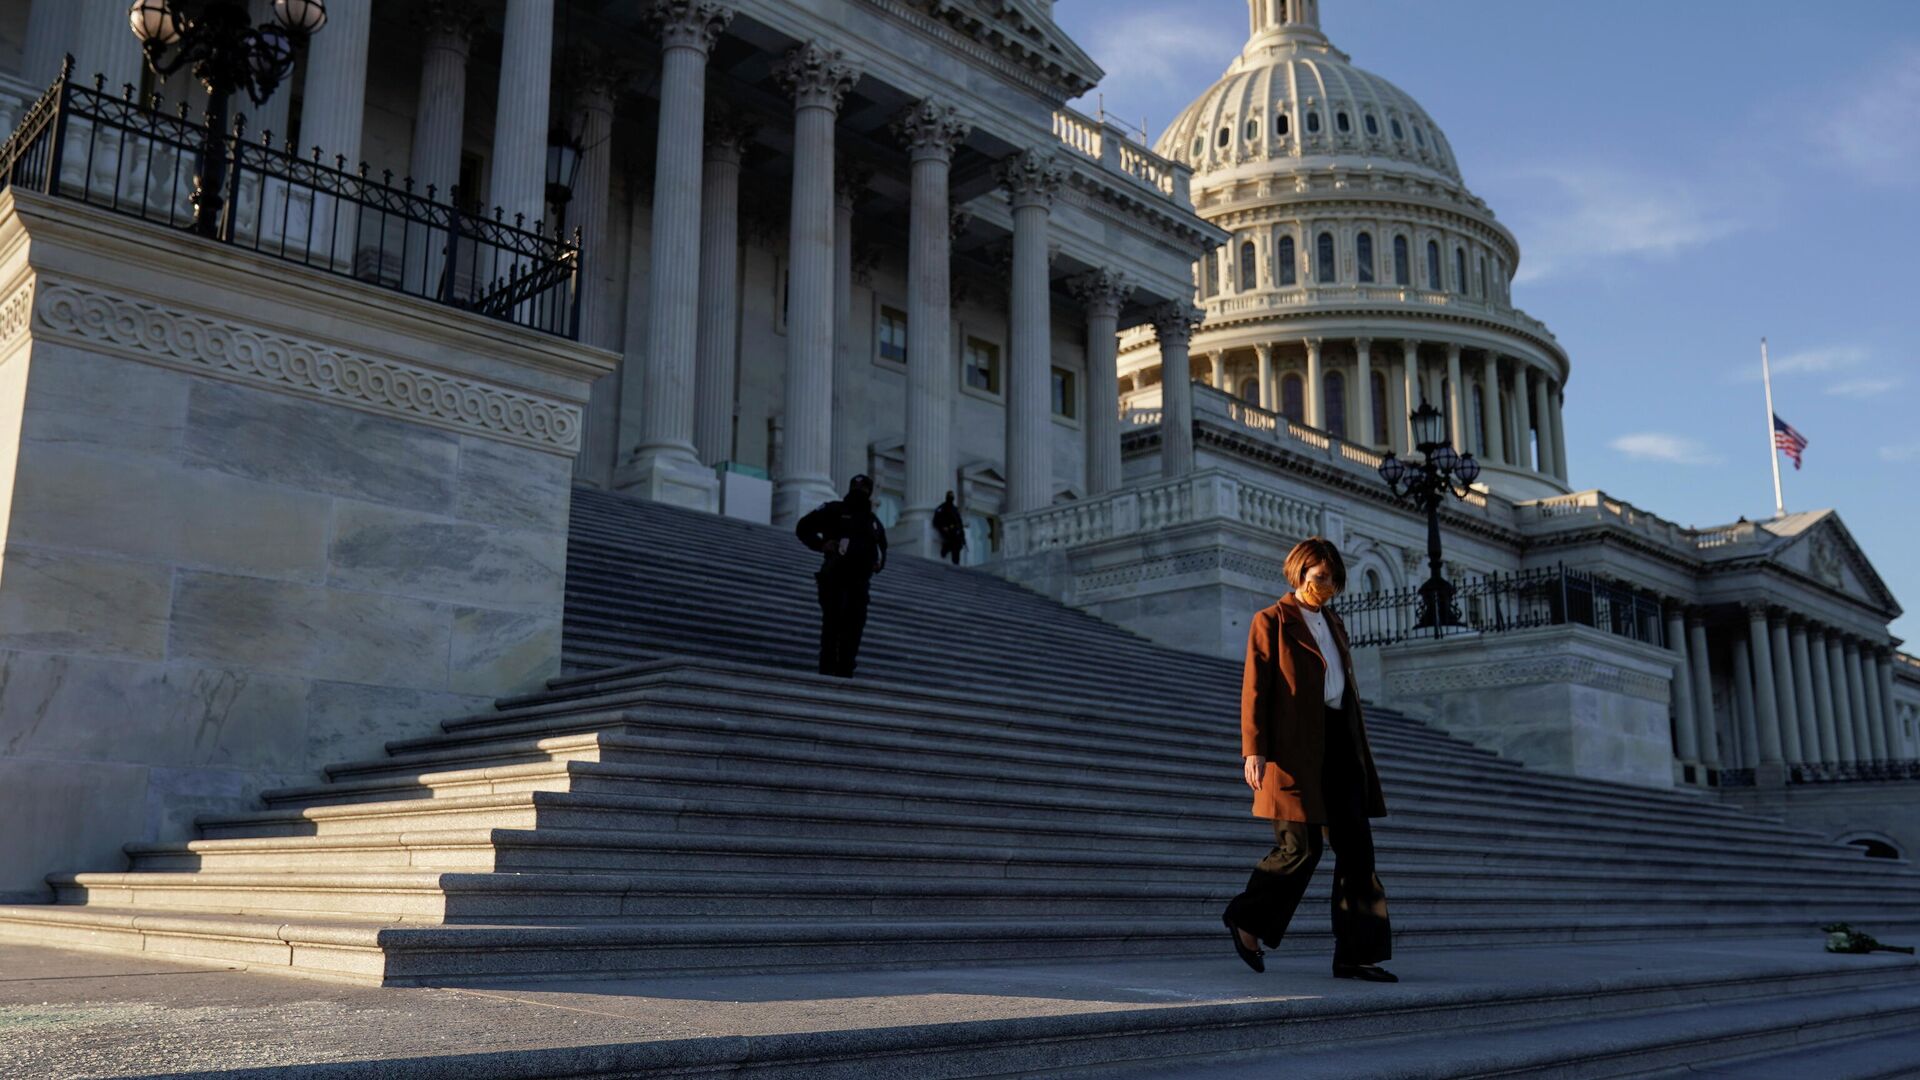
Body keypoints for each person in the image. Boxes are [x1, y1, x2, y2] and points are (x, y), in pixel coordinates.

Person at [1222, 537, 1395, 982]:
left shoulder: (1335, 622)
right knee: (1301, 848)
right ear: (1299, 574)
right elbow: (1255, 689)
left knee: (1358, 851)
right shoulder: (1272, 621)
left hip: (1340, 742)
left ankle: (1356, 955)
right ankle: (1247, 918)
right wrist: (1254, 749)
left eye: (1334, 579)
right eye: (1320, 578)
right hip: (1293, 750)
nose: (1328, 586)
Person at [796, 475, 888, 677]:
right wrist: (821, 545)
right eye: (856, 488)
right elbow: (803, 527)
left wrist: (878, 564)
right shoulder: (833, 510)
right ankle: (828, 670)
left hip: (860, 582)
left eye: (862, 489)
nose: (859, 492)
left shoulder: (873, 521)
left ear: (869, 493)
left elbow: (882, 548)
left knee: (854, 626)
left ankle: (845, 670)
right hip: (835, 576)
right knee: (833, 623)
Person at [932, 491, 967, 566]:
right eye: (950, 496)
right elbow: (936, 519)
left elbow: (959, 523)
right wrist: (943, 526)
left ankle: (955, 562)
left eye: (952, 496)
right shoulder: (942, 507)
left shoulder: (955, 509)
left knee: (957, 543)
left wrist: (963, 537)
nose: (951, 498)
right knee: (952, 540)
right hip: (946, 529)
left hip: (954, 530)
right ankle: (946, 548)